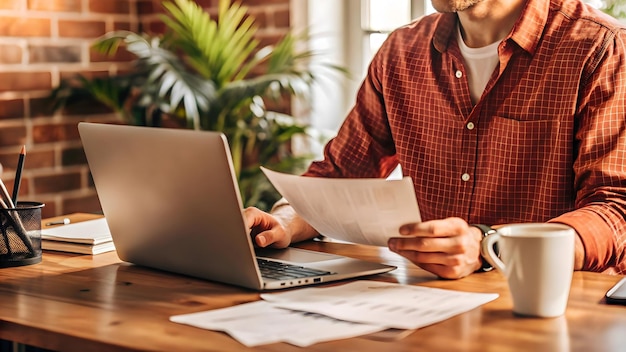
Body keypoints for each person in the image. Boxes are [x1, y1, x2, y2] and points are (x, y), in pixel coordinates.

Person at [244, 0, 626, 279]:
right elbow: (340, 174)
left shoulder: (600, 47)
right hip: (427, 304)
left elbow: (615, 211)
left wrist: (490, 247)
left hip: (550, 310)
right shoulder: (401, 52)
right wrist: (284, 221)